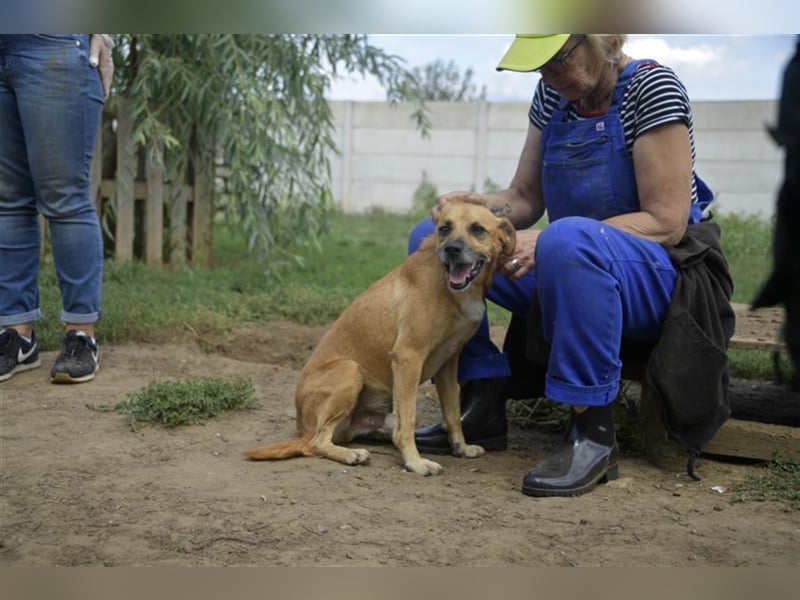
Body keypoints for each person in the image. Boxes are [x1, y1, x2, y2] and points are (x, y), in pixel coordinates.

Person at [411, 34, 734, 497]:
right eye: (540, 68)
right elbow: (523, 198)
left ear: (601, 37)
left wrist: (551, 241)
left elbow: (667, 222)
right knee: (432, 243)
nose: (550, 77)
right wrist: (479, 205)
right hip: (572, 261)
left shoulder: (652, 88)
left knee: (567, 237)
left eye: (559, 61)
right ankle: (479, 407)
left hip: (661, 274)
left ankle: (593, 436)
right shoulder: (553, 95)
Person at [0, 34, 114, 383]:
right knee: (7, 202)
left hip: (54, 39)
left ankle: (81, 334)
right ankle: (17, 335)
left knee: (65, 199)